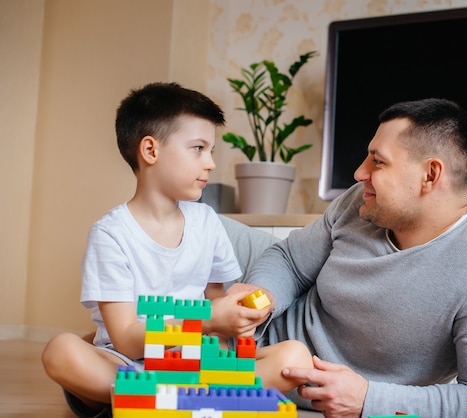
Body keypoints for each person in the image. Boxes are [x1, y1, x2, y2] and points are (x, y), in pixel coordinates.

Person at [230, 98, 467, 418]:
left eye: (377, 162)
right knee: (195, 222)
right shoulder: (360, 202)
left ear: (430, 174)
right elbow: (290, 261)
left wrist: (368, 399)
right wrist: (262, 296)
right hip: (257, 333)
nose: (359, 173)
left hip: (284, 375)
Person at [41, 82, 312, 418]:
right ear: (150, 151)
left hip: (193, 363)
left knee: (293, 357)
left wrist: (233, 317)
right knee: (61, 351)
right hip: (128, 362)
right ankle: (182, 400)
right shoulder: (111, 235)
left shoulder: (207, 222)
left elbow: (215, 304)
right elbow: (125, 338)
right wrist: (209, 320)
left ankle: (155, 401)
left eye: (211, 150)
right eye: (198, 148)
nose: (210, 163)